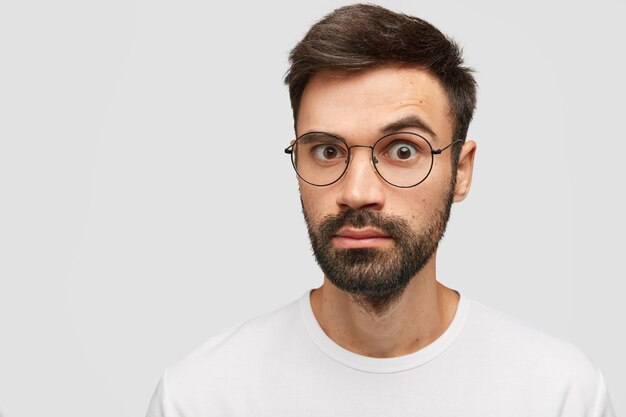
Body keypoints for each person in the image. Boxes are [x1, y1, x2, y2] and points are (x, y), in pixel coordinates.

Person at [146, 4, 614, 416]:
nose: (357, 192)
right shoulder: (201, 399)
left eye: (403, 150)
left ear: (462, 170)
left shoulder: (558, 396)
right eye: (327, 151)